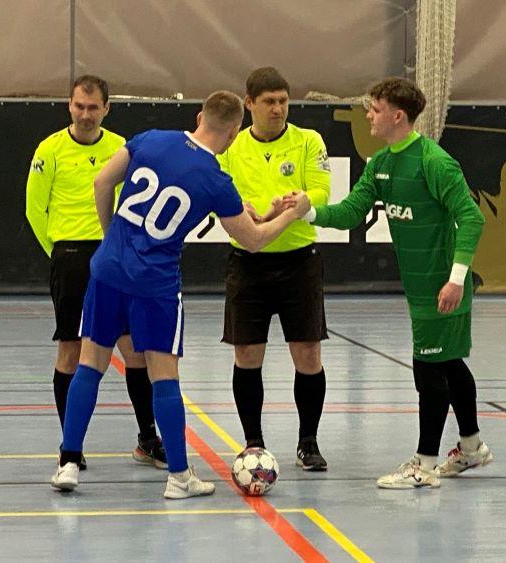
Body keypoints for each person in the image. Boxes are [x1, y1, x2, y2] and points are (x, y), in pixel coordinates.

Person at [50, 90, 310, 498]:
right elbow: (254, 240)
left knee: (89, 365)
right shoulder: (215, 180)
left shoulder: (152, 139)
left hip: (109, 269)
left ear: (199, 117)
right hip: (155, 283)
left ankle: (68, 463)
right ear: (234, 133)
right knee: (164, 377)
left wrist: (110, 235)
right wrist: (293, 214)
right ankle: (179, 477)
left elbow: (102, 182)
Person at [288, 77, 493, 489]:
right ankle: (472, 448)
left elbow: (472, 218)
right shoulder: (381, 163)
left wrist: (456, 280)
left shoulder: (434, 162)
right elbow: (350, 212)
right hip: (419, 287)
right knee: (449, 363)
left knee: (428, 370)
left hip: (443, 288)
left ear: (398, 116)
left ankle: (424, 465)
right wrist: (307, 212)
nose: (368, 115)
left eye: (376, 109)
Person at [25, 74, 166, 470]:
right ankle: (71, 446)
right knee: (71, 350)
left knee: (135, 350)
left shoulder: (122, 148)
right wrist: (60, 252)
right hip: (71, 256)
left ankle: (147, 439)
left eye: (92, 107)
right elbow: (35, 210)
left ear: (106, 108)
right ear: (69, 106)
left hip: (115, 257)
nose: (85, 115)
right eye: (79, 106)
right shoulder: (49, 150)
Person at [217, 67, 331, 471]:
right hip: (247, 263)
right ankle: (254, 443)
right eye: (269, 102)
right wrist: (241, 209)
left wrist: (299, 202)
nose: (278, 109)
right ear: (249, 104)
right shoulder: (232, 146)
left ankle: (308, 441)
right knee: (247, 353)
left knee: (308, 352)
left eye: (283, 101)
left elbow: (321, 190)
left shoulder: (307, 141)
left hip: (299, 261)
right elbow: (217, 192)